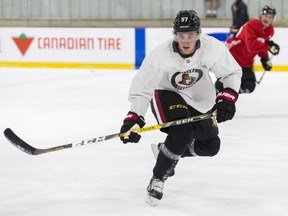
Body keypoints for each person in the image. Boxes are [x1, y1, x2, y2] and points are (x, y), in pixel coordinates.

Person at [119, 10, 242, 206]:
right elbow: (142, 89)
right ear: (175, 35)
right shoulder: (160, 55)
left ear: (198, 34)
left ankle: (165, 150)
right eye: (181, 35)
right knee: (182, 131)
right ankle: (158, 177)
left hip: (200, 97)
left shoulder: (212, 48)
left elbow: (232, 73)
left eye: (190, 35)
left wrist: (227, 96)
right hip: (166, 92)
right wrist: (134, 117)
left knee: (211, 146)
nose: (186, 40)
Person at [216, 5, 280, 94]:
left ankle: (230, 94)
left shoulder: (270, 30)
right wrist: (268, 45)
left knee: (249, 86)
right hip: (233, 56)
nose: (267, 18)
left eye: (270, 17)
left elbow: (261, 44)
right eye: (266, 15)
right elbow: (251, 46)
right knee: (220, 87)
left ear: (273, 19)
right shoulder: (252, 24)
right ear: (261, 15)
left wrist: (264, 59)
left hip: (246, 61)